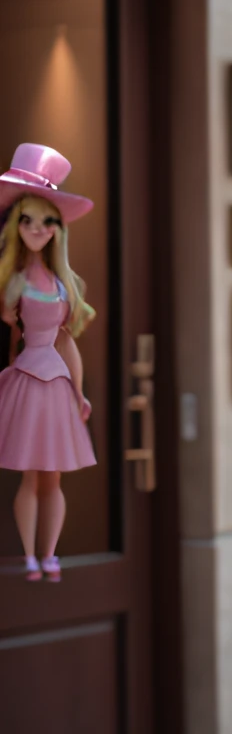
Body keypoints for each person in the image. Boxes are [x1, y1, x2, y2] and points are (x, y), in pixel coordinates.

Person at [0, 144, 96, 581]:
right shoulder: (14, 283)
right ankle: (30, 557)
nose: (37, 229)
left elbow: (68, 342)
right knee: (29, 475)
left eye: (46, 222)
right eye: (28, 221)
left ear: (57, 229)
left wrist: (79, 392)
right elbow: (13, 332)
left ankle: (50, 552)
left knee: (52, 477)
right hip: (26, 379)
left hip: (56, 383)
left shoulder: (63, 285)